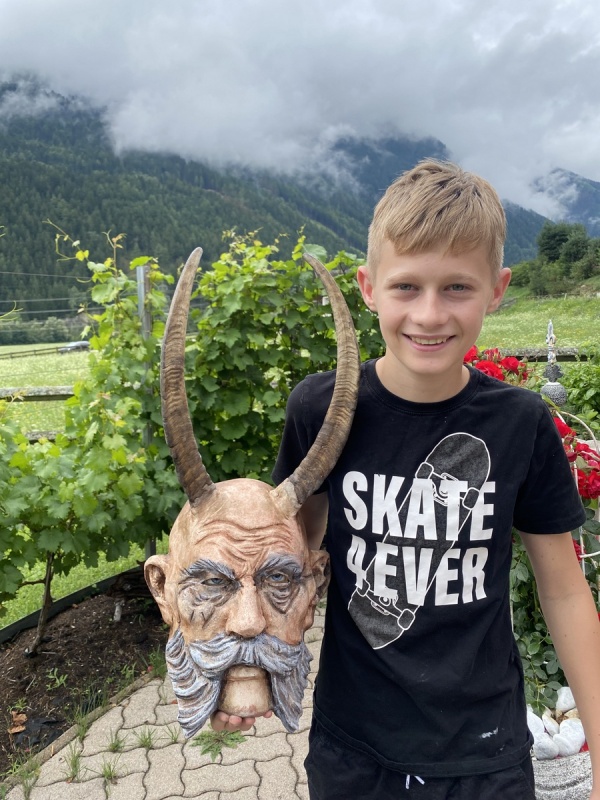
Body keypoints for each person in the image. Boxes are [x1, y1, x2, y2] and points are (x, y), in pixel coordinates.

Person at [215, 160, 600, 799]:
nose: (429, 313)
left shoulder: (519, 423)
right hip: (354, 746)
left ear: (498, 289)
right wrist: (242, 669)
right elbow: (292, 562)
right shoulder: (322, 411)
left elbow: (562, 591)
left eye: (457, 287)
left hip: (484, 753)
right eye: (406, 287)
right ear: (369, 288)